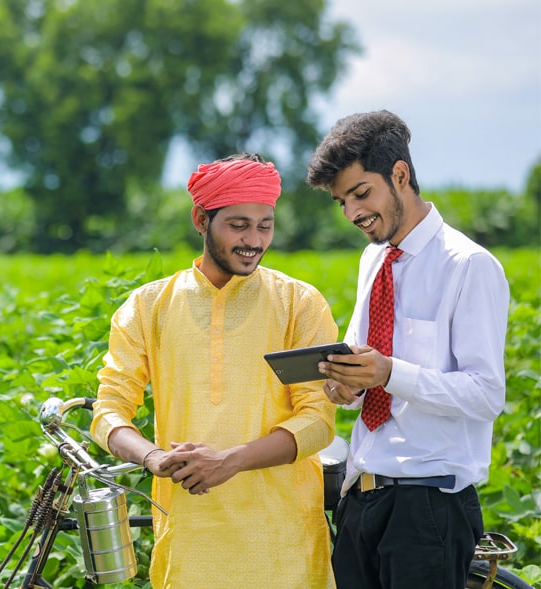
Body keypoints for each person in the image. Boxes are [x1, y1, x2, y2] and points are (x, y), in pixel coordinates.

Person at [90, 154, 339, 588]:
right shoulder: (148, 307)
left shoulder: (299, 303)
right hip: (189, 541)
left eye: (265, 225)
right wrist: (153, 457)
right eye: (238, 225)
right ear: (200, 219)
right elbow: (108, 412)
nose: (254, 240)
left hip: (284, 544)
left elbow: (318, 421)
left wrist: (230, 461)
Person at [306, 110, 509, 589]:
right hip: (361, 498)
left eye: (361, 193)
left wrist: (389, 373)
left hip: (428, 507)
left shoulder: (468, 265)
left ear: (400, 175)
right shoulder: (372, 258)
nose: (352, 213)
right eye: (341, 201)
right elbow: (368, 368)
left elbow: (486, 394)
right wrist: (347, 386)